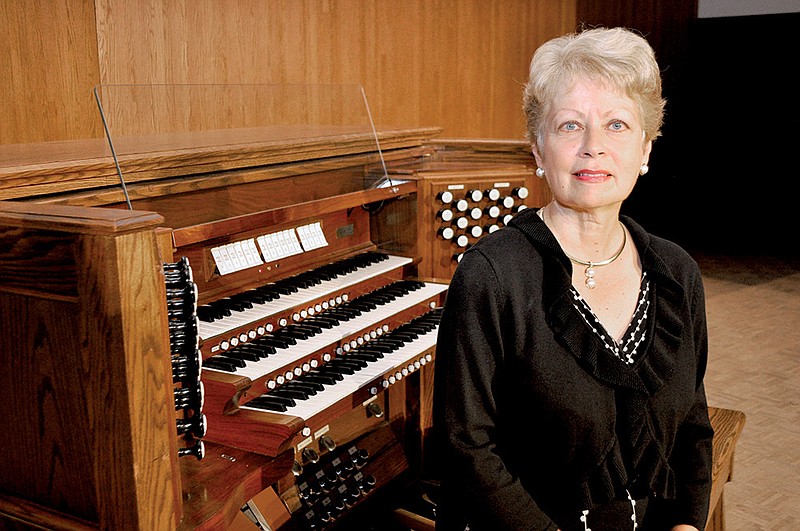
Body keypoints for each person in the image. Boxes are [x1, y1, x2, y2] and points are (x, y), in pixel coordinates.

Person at [432, 27, 713, 531]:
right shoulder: (492, 275)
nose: (593, 148)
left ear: (646, 151)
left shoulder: (677, 273)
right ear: (538, 150)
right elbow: (466, 446)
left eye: (617, 125)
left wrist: (686, 523)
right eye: (569, 126)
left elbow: (692, 423)